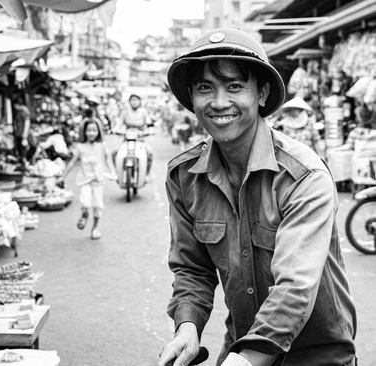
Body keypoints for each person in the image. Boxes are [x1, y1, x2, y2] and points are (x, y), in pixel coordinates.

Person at [158, 28, 356, 366]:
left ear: (261, 94)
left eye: (234, 86)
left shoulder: (304, 176)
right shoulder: (184, 176)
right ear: (191, 97)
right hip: (241, 343)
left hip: (317, 355)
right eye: (206, 87)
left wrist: (247, 360)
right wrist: (187, 327)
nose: (219, 102)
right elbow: (192, 268)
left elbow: (295, 287)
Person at [61, 118, 116, 240]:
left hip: (98, 181)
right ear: (84, 132)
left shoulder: (102, 145)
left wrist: (113, 172)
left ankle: (95, 227)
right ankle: (85, 213)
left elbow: (108, 159)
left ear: (98, 132)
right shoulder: (80, 147)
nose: (91, 133)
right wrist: (63, 176)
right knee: (85, 203)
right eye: (89, 130)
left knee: (98, 205)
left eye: (94, 130)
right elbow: (72, 162)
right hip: (84, 180)